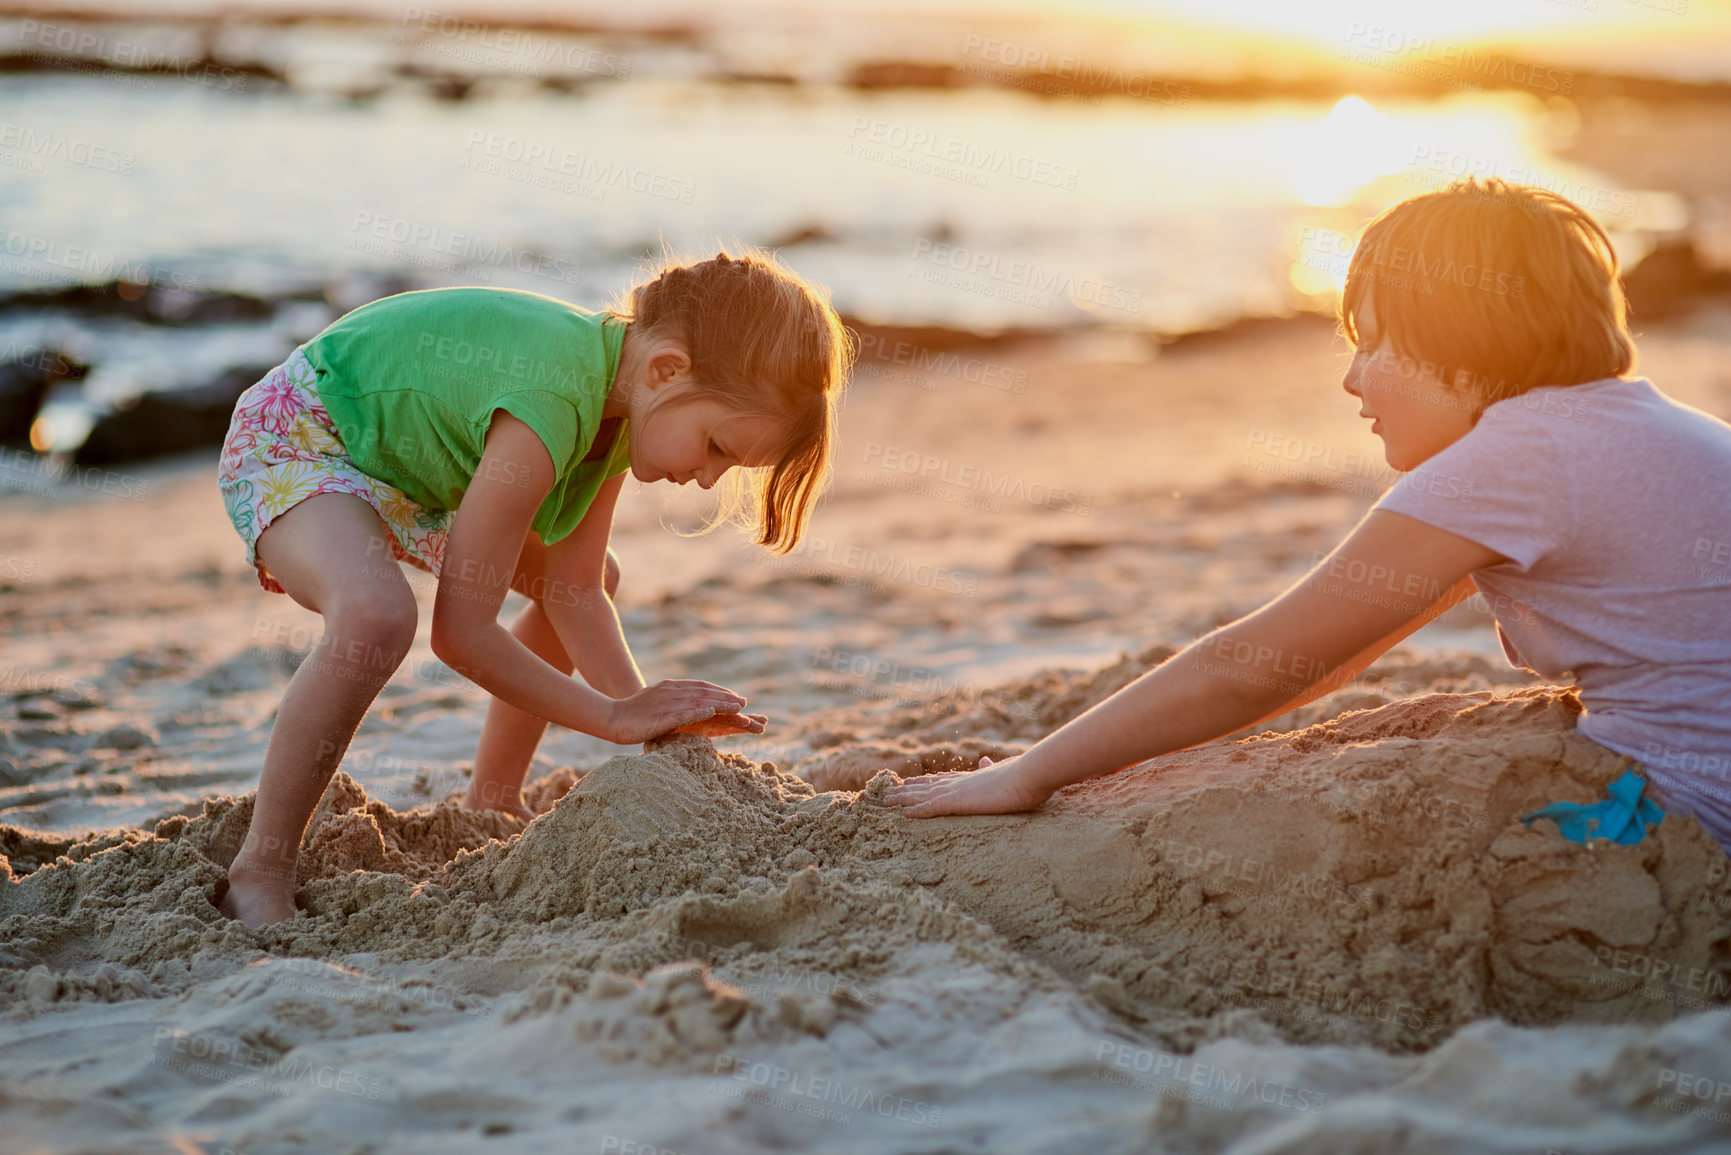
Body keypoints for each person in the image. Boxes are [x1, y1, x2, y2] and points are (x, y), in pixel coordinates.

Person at [887, 178, 1731, 854]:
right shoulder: (1645, 428)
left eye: (1372, 342)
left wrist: (1026, 775)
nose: (1351, 379)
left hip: (1694, 818)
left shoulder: (1515, 459)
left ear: (1463, 347)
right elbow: (1337, 652)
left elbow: (1257, 664)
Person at [216, 250, 851, 926]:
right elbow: (462, 636)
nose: (706, 480)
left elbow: (574, 590)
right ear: (669, 370)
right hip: (303, 436)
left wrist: (648, 719)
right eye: (717, 448)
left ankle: (491, 797)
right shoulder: (552, 399)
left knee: (588, 578)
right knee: (375, 614)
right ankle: (260, 868)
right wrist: (612, 717)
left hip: (399, 472)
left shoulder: (622, 398)